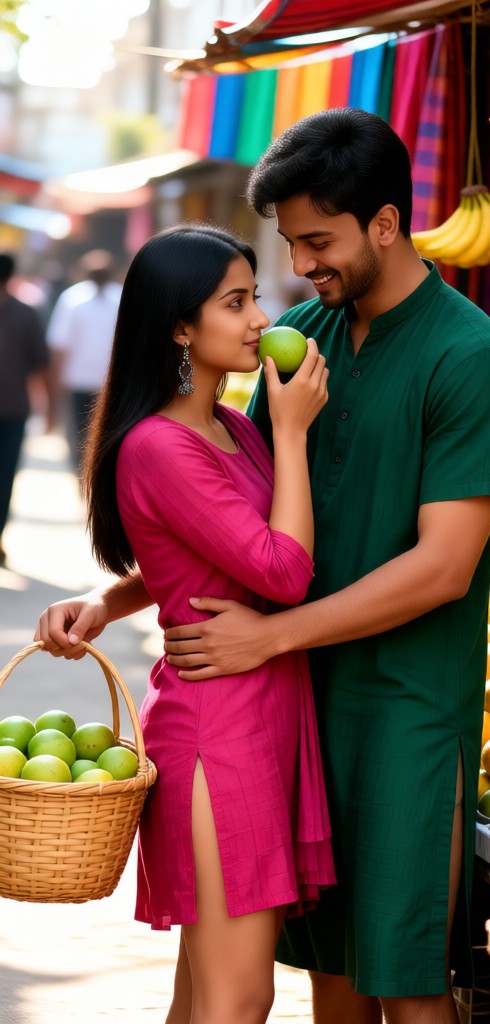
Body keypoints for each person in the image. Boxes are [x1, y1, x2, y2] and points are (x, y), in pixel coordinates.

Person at [35, 110, 490, 1024]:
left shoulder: (470, 361)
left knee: (409, 983)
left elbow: (444, 569)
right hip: (289, 712)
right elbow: (225, 523)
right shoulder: (301, 336)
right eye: (290, 244)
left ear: (386, 223)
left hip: (404, 715)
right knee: (327, 982)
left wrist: (271, 636)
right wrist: (114, 596)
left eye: (319, 241)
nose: (300, 268)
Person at [40, 222, 335, 1024]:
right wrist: (297, 431)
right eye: (235, 302)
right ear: (179, 325)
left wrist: (110, 600)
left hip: (261, 707)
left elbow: (203, 556)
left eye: (255, 297)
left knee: (203, 995)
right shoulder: (165, 446)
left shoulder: (230, 427)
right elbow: (282, 569)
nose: (258, 320)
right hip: (219, 724)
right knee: (239, 996)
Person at [0, 252, 54, 566]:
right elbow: (43, 366)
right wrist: (50, 409)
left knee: (4, 477)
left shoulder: (24, 315)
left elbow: (40, 362)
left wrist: (49, 409)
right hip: (16, 409)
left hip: (12, 411)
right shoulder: (27, 313)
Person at [46, 248, 122, 471]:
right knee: (89, 438)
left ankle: (89, 482)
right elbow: (59, 345)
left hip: (105, 383)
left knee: (91, 437)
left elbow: (59, 345)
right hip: (88, 382)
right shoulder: (74, 299)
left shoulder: (74, 298)